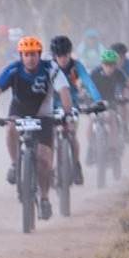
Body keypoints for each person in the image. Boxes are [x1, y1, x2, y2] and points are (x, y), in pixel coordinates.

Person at [0, 35, 72, 221]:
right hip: (20, 111)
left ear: (39, 55)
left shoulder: (50, 68)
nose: (30, 58)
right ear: (21, 55)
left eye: (33, 54)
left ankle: (45, 198)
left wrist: (67, 112)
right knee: (10, 128)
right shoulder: (13, 69)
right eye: (26, 54)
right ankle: (15, 164)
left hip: (44, 115)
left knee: (45, 162)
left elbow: (64, 90)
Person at [48, 35, 101, 186]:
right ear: (54, 55)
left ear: (70, 53)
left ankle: (76, 165)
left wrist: (98, 99)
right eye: (59, 55)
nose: (63, 59)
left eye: (66, 55)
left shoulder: (77, 66)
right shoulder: (47, 66)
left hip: (71, 102)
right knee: (48, 136)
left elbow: (88, 82)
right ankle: (50, 169)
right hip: (51, 102)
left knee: (71, 132)